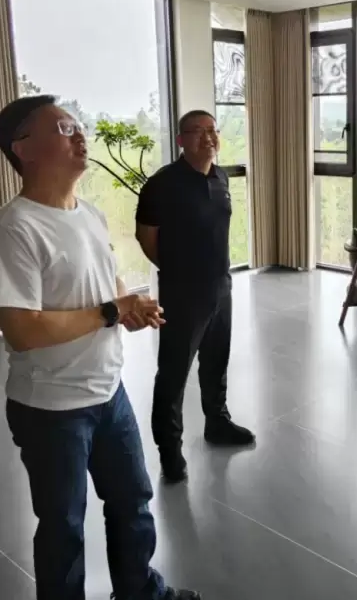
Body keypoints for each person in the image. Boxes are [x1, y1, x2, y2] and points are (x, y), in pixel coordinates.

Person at [0, 95, 200, 600]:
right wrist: (111, 312)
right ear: (23, 149)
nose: (80, 135)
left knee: (133, 501)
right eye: (62, 128)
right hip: (51, 408)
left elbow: (108, 287)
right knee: (63, 526)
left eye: (78, 125)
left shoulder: (91, 215)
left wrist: (130, 308)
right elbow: (22, 330)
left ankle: (141, 592)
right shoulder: (14, 229)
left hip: (108, 392)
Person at [136, 109, 255, 483]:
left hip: (221, 285)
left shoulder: (221, 177)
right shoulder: (162, 184)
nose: (208, 137)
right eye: (198, 131)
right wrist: (177, 269)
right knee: (173, 373)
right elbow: (146, 237)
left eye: (212, 130)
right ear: (180, 140)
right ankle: (170, 450)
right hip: (182, 291)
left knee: (216, 361)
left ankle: (217, 423)